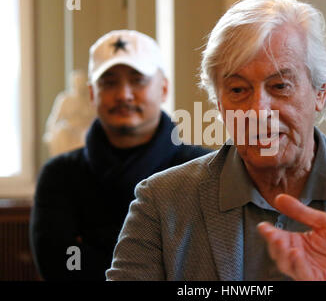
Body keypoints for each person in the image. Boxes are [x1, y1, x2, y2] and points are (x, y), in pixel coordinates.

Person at [106, 0, 326, 281]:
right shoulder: (161, 203)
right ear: (219, 102)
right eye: (238, 89)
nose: (258, 110)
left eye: (280, 86)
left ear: (320, 94)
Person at [30, 30, 211, 281]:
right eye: (109, 82)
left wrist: (97, 250)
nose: (124, 94)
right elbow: (61, 269)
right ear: (93, 94)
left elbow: (205, 269)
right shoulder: (59, 175)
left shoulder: (203, 169)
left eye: (138, 80)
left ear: (164, 89)